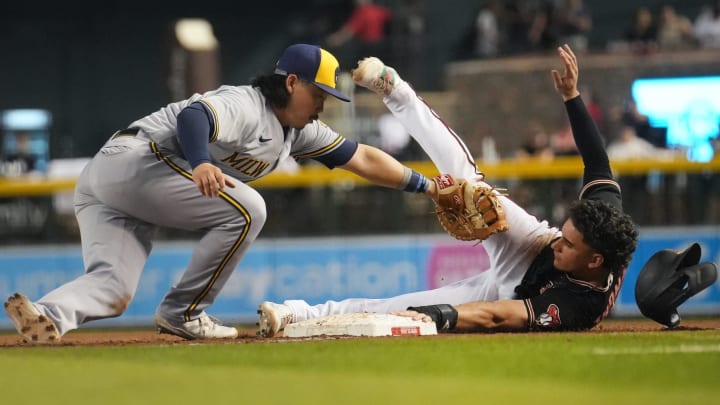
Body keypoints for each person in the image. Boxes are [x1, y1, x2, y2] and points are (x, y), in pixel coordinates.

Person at [2, 43, 441, 343]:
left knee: (113, 288)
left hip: (106, 183)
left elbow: (361, 158)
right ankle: (185, 313)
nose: (323, 104)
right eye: (318, 93)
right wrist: (201, 161)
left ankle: (46, 315)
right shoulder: (246, 103)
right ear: (290, 83)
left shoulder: (298, 130)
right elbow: (195, 116)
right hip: (134, 161)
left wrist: (428, 186)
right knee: (247, 208)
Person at [258, 44, 639, 336]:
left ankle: (297, 313)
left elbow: (495, 315)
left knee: (397, 309)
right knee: (467, 185)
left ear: (594, 262)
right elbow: (597, 160)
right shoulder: (598, 219)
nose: (562, 242)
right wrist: (572, 97)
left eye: (570, 246)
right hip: (529, 245)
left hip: (513, 295)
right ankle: (395, 89)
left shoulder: (579, 305)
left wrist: (441, 314)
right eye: (566, 234)